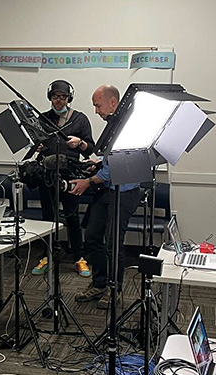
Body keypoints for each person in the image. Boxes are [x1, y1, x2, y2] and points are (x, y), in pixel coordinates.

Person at [69, 84, 142, 310]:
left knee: (113, 244)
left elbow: (117, 167)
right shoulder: (113, 125)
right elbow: (110, 161)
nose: (96, 111)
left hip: (125, 192)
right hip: (108, 190)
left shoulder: (127, 125)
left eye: (98, 105)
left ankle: (114, 289)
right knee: (92, 237)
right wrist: (98, 163)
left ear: (113, 102)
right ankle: (99, 284)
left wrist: (88, 182)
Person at [29, 80, 94, 278]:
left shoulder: (80, 119)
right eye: (56, 96)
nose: (59, 101)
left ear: (69, 98)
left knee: (72, 217)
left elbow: (91, 148)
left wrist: (80, 143)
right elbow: (34, 144)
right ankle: (47, 255)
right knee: (48, 218)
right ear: (50, 97)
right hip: (47, 175)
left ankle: (79, 257)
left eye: (63, 97)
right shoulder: (42, 118)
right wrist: (37, 147)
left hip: (70, 176)